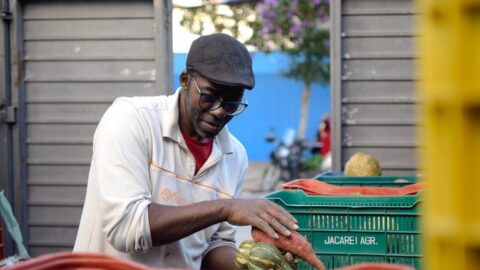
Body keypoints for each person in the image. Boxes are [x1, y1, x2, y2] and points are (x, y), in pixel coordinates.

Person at [73, 33, 298, 269]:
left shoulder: (234, 156)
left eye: (232, 104)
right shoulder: (131, 120)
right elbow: (127, 228)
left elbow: (215, 246)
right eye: (209, 97)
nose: (220, 112)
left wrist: (255, 264)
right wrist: (226, 208)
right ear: (184, 80)